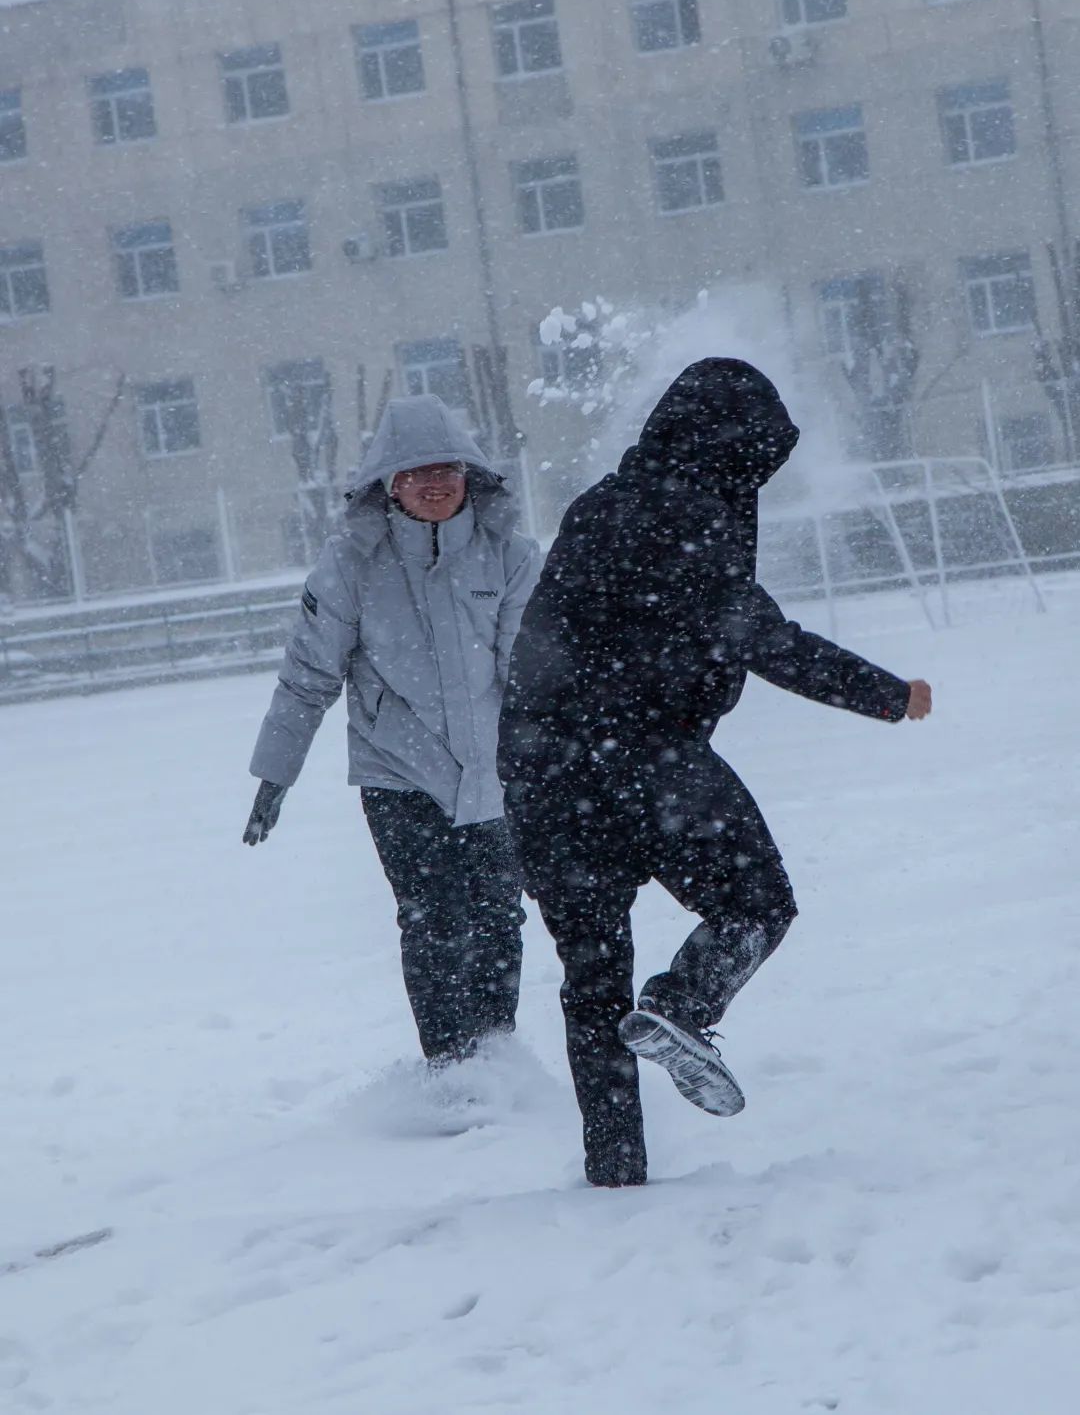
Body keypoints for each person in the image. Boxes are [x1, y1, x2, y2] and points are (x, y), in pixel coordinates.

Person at [497, 359, 932, 1188]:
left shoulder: (599, 507)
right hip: (643, 762)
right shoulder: (687, 519)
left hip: (541, 774)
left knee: (592, 983)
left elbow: (544, 654)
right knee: (757, 901)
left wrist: (529, 778)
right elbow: (766, 641)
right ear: (731, 450)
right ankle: (683, 1004)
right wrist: (888, 695)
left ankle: (615, 1173)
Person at [244, 394, 540, 1066]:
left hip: (494, 777)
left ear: (471, 475)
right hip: (398, 777)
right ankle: (448, 1068)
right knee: (432, 920)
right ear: (388, 482)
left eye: (447, 468)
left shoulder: (510, 557)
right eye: (415, 472)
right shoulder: (351, 566)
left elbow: (531, 678)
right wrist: (275, 773)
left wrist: (556, 762)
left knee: (498, 918)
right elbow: (307, 674)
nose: (434, 483)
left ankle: (497, 1059)